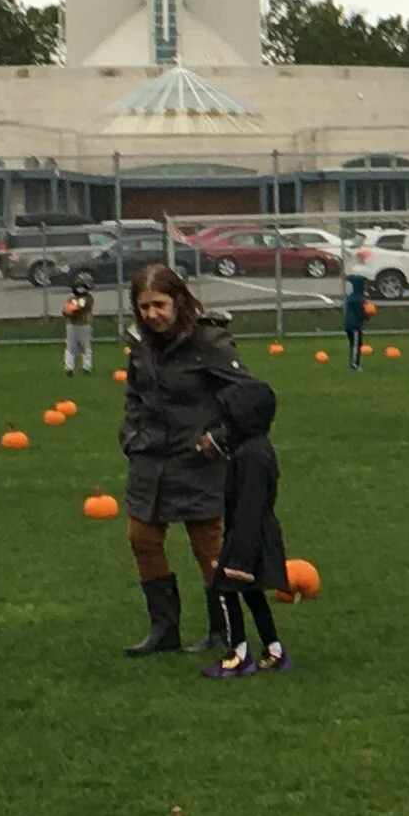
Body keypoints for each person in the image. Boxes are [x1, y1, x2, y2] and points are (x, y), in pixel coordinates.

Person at [120, 264, 246, 658]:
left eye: (159, 305)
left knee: (207, 543)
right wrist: (131, 435)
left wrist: (218, 439)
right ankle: (164, 628)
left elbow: (248, 398)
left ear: (179, 300)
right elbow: (134, 395)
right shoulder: (141, 345)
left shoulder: (211, 342)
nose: (151, 315)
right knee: (142, 538)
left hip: (197, 458)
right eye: (144, 307)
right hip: (149, 456)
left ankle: (222, 628)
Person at [201, 374, 291, 677]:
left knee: (225, 586)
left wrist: (240, 555)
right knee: (251, 592)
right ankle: (274, 649)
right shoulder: (248, 448)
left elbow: (251, 506)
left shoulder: (254, 455)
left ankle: (238, 652)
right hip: (249, 530)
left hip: (249, 533)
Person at [62, 277, 97, 374]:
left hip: (84, 325)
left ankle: (87, 367)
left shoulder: (88, 298)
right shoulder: (72, 298)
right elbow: (66, 310)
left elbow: (79, 306)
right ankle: (69, 367)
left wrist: (71, 309)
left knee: (85, 347)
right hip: (72, 325)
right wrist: (67, 311)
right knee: (70, 346)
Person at [341, 273, 371, 371]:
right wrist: (367, 315)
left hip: (349, 324)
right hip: (354, 325)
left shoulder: (352, 296)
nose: (366, 287)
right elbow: (360, 313)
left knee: (356, 344)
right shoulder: (358, 298)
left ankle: (355, 363)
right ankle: (354, 365)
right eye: (364, 285)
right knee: (355, 345)